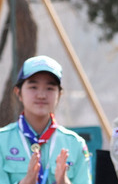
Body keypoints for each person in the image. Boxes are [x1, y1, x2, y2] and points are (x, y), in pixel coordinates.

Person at [0, 55, 92, 184]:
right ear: (18, 93)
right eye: (33, 87)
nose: (41, 95)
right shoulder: (2, 141)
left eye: (50, 88)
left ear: (59, 95)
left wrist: (64, 182)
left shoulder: (75, 144)